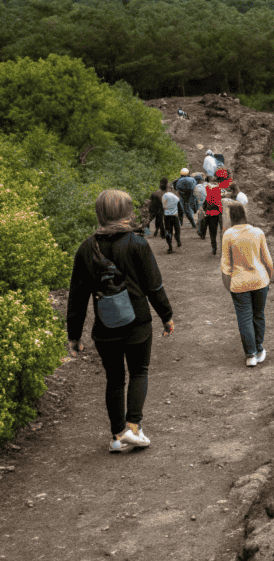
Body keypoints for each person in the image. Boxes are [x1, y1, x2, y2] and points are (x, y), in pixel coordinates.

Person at [66, 189, 174, 452]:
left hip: (105, 326)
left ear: (100, 214)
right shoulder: (137, 243)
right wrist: (166, 316)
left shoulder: (85, 248)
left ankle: (117, 435)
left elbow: (77, 296)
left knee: (114, 379)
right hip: (137, 323)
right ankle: (134, 427)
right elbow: (154, 286)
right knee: (139, 371)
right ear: (126, 213)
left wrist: (74, 334)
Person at [220, 202, 273, 367]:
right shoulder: (258, 232)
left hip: (239, 283)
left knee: (244, 317)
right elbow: (267, 260)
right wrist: (268, 278)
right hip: (260, 280)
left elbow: (226, 264)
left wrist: (228, 285)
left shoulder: (228, 235)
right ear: (245, 215)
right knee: (259, 314)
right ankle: (259, 349)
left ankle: (250, 355)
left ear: (231, 217)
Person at [159, 177, 181, 254]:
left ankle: (170, 246)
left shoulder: (164, 196)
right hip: (175, 216)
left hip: (167, 216)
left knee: (168, 231)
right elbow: (180, 207)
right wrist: (181, 217)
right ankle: (178, 240)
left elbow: (162, 206)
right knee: (177, 230)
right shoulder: (176, 197)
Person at [204, 175, 224, 256]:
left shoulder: (207, 196)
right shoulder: (220, 195)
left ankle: (214, 248)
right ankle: (223, 249)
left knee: (212, 233)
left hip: (211, 215)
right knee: (222, 231)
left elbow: (205, 207)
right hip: (219, 215)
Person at [193, 173, 208, 239]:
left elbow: (194, 197)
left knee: (200, 220)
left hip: (199, 205)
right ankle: (202, 233)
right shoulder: (204, 187)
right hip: (205, 205)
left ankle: (201, 232)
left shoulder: (195, 188)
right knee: (203, 219)